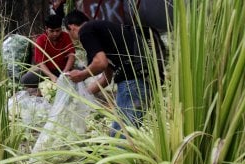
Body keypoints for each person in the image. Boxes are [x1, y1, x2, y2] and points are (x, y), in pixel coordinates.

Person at [64, 10, 165, 138]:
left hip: (132, 83)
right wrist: (82, 95)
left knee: (120, 137)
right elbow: (107, 77)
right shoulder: (104, 32)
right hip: (144, 82)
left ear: (71, 27)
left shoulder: (86, 30)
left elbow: (100, 63)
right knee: (127, 135)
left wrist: (81, 75)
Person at [20, 14, 75, 93]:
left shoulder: (65, 36)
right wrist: (51, 76)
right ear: (46, 29)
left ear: (61, 29)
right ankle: (46, 85)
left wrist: (64, 73)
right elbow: (41, 63)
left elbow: (71, 56)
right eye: (52, 31)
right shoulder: (40, 40)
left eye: (58, 30)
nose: (55, 34)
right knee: (25, 80)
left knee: (82, 75)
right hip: (47, 72)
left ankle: (50, 84)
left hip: (63, 70)